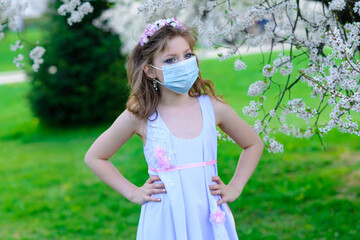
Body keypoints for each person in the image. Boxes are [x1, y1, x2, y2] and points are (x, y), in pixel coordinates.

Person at [84, 18, 264, 240]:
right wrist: (133, 193)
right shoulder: (141, 116)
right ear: (150, 71)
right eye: (170, 60)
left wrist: (236, 186)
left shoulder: (213, 109)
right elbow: (95, 157)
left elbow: (253, 143)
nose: (183, 63)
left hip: (208, 215)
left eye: (187, 56)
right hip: (164, 219)